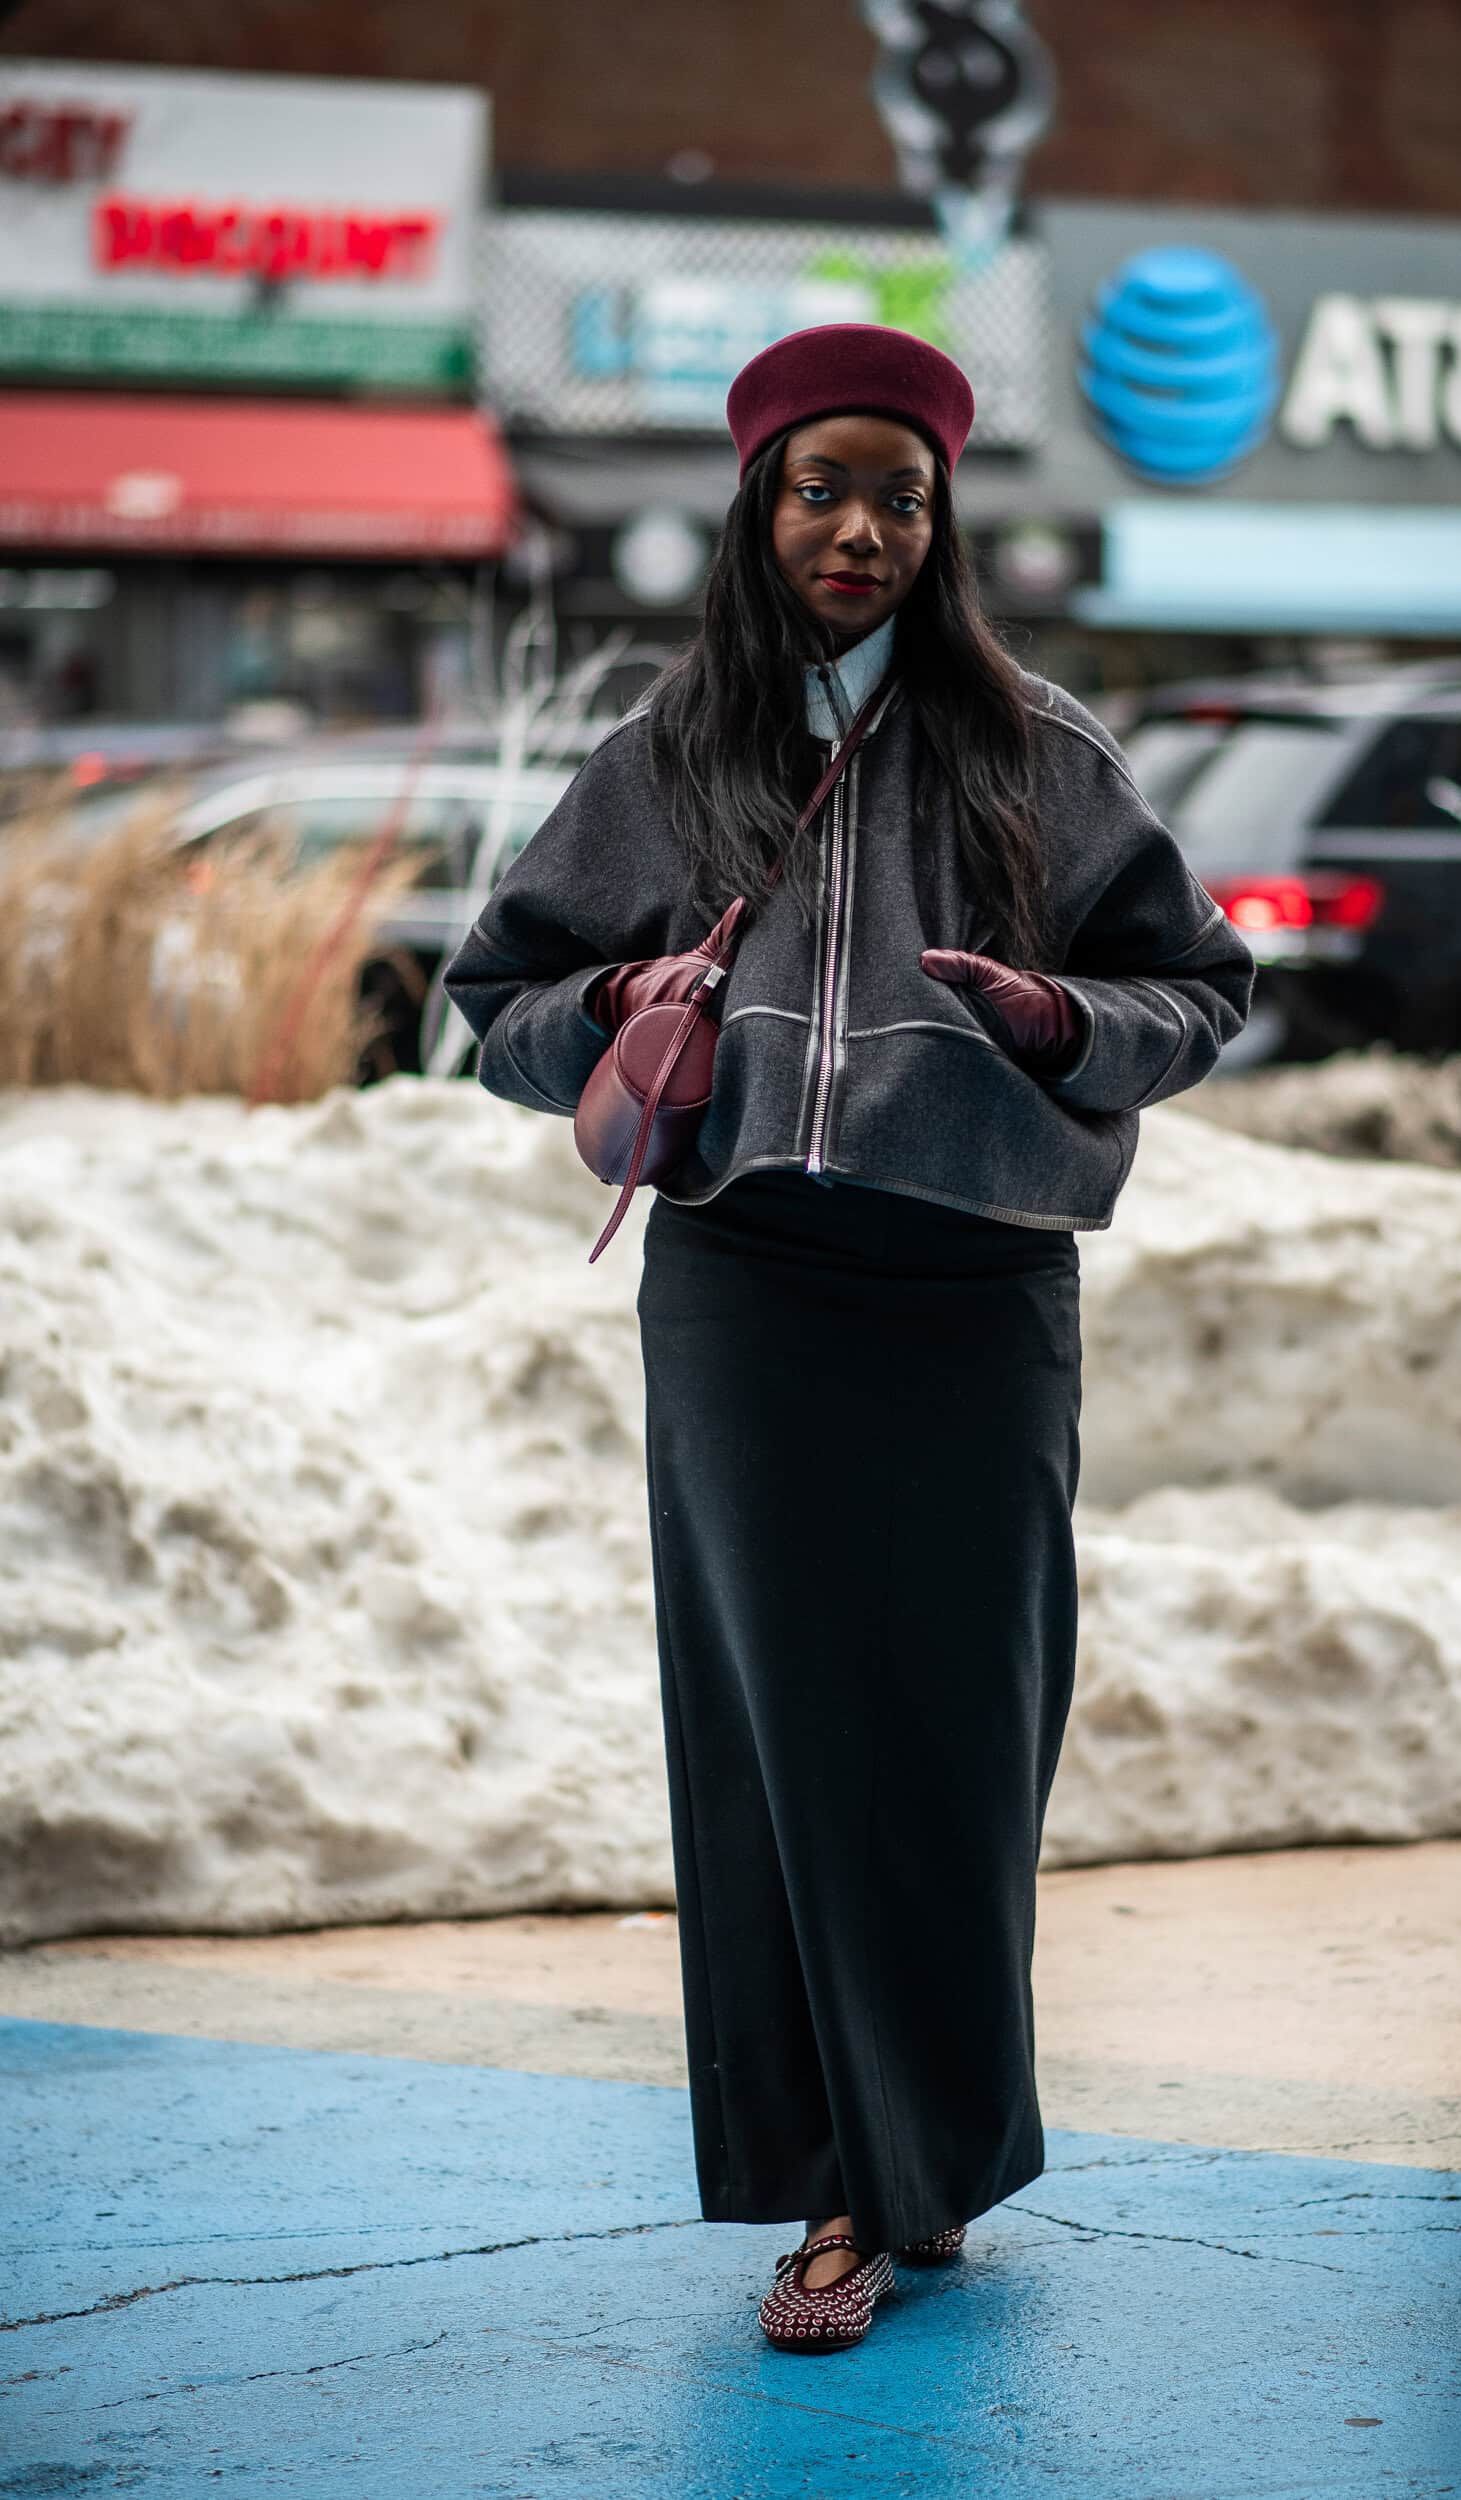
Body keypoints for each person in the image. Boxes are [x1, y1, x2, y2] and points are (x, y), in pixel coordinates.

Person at [444, 324, 1254, 2356]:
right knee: (784, 1749)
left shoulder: (1034, 745)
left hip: (976, 1295)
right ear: (759, 505)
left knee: (965, 1744)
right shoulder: (673, 749)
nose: (863, 527)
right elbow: (500, 1000)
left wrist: (1068, 1025)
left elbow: (1199, 985)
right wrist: (626, 986)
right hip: (747, 1298)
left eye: (902, 494)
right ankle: (842, 2186)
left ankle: (932, 2158)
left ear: (941, 520)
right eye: (826, 488)